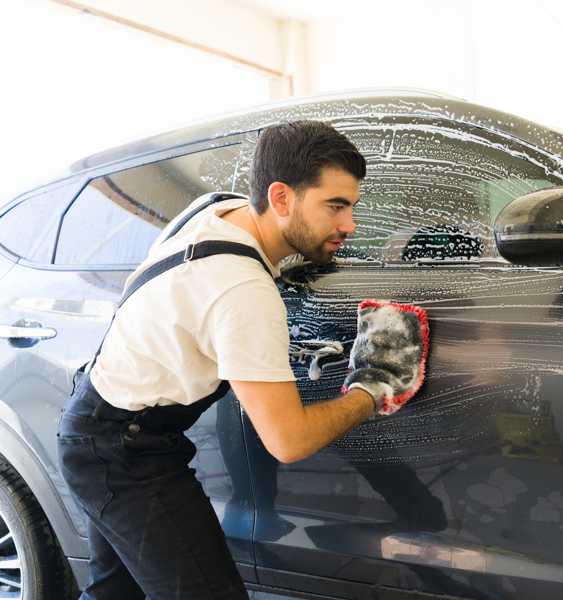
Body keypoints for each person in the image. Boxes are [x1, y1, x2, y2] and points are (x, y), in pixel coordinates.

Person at [57, 121, 427, 599]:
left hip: (102, 425)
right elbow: (288, 441)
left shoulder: (216, 209)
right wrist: (373, 387)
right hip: (122, 453)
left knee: (114, 594)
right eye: (334, 206)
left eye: (352, 206)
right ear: (280, 198)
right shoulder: (241, 289)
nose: (349, 226)